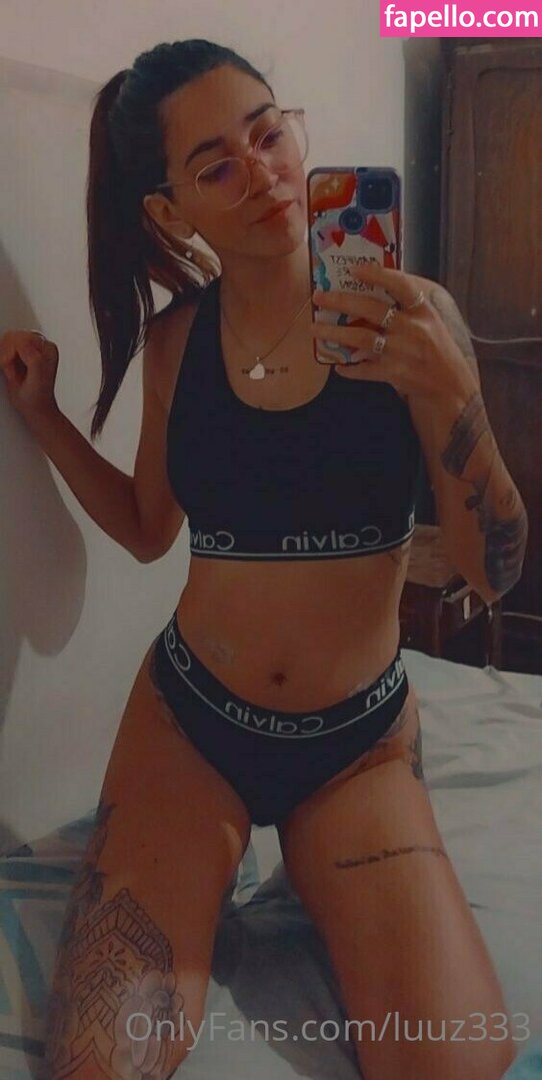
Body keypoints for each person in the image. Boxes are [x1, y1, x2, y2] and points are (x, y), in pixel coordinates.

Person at [0, 38, 528, 1080]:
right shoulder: (175, 347)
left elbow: (492, 570)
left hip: (357, 747)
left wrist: (450, 394)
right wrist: (45, 416)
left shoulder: (418, 320)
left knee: (456, 1065)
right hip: (190, 728)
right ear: (170, 211)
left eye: (267, 133)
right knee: (102, 1063)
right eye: (216, 165)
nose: (266, 173)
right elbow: (148, 526)